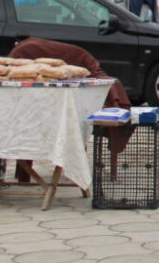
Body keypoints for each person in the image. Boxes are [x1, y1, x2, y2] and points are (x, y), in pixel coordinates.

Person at [8, 37, 133, 183]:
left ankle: (36, 173)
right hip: (36, 107)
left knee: (73, 123)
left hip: (48, 108)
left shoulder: (25, 51)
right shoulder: (23, 56)